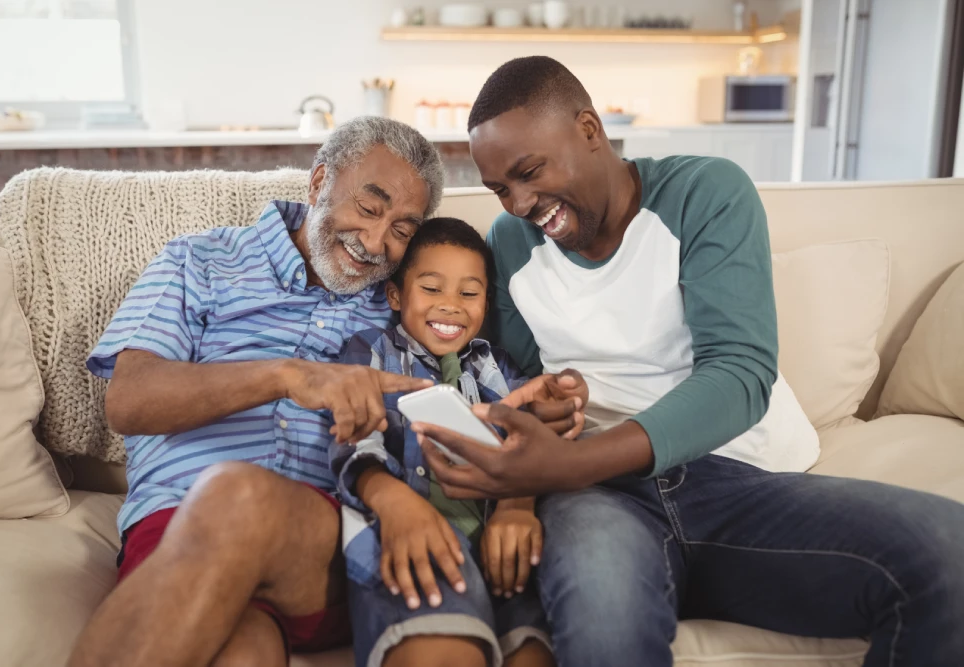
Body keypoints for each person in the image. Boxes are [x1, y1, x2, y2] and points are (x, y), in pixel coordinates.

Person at [412, 56, 964, 667]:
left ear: (589, 129)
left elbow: (739, 374)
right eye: (499, 190)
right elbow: (520, 383)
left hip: (744, 482)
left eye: (529, 172)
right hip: (601, 502)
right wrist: (545, 423)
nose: (518, 204)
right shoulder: (511, 246)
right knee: (606, 631)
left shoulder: (705, 192)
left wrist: (566, 465)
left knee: (950, 554)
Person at [68, 118, 449, 667]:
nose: (375, 243)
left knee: (238, 496)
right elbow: (129, 401)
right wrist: (285, 375)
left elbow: (465, 389)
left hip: (322, 554)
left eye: (402, 229)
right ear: (319, 183)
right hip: (176, 523)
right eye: (369, 209)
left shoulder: (402, 303)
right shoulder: (197, 261)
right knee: (245, 650)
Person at [331, 217, 578, 667]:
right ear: (395, 296)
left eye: (468, 293)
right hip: (412, 538)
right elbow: (354, 442)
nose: (451, 307)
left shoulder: (495, 365)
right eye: (431, 289)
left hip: (502, 549)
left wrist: (559, 394)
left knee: (533, 649)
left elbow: (536, 429)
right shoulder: (369, 353)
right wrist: (389, 500)